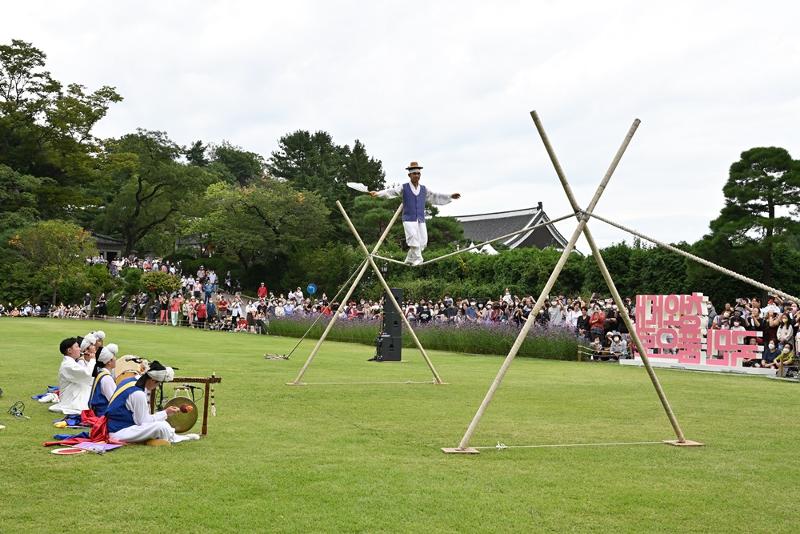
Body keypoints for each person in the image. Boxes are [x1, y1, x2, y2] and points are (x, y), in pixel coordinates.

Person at [369, 161, 460, 265]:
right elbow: (391, 192)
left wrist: (450, 196)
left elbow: (435, 196)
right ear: (409, 175)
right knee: (413, 239)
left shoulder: (424, 189)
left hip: (420, 219)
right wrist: (377, 193)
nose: (417, 175)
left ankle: (409, 258)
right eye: (414, 173)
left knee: (423, 242)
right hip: (408, 218)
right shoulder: (404, 187)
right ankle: (418, 259)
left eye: (418, 173)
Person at [106, 361, 200, 443]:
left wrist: (164, 414)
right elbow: (143, 422)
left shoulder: (129, 380)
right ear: (152, 380)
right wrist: (165, 413)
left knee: (163, 424)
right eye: (158, 384)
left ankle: (178, 437)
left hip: (120, 427)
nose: (157, 387)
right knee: (160, 427)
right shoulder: (138, 393)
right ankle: (180, 438)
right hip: (119, 432)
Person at [49, 336, 96, 414]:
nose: (80, 349)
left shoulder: (71, 363)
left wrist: (88, 360)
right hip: (71, 400)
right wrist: (92, 360)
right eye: (77, 347)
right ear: (69, 350)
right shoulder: (67, 365)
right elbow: (87, 374)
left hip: (73, 393)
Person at [89, 345, 118, 416]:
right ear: (109, 362)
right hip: (103, 414)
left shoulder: (101, 373)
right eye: (114, 357)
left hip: (99, 411)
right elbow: (114, 400)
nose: (116, 359)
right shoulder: (106, 378)